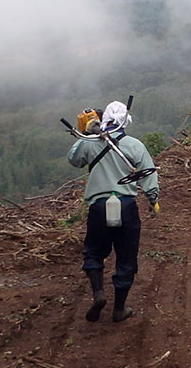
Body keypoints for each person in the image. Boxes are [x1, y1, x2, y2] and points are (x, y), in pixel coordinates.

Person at [67, 101, 159, 323]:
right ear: (126, 121)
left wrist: (84, 135)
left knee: (94, 251)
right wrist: (152, 199)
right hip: (126, 206)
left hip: (98, 207)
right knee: (126, 257)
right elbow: (148, 174)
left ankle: (98, 293)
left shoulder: (90, 143)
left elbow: (74, 159)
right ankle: (119, 308)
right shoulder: (134, 145)